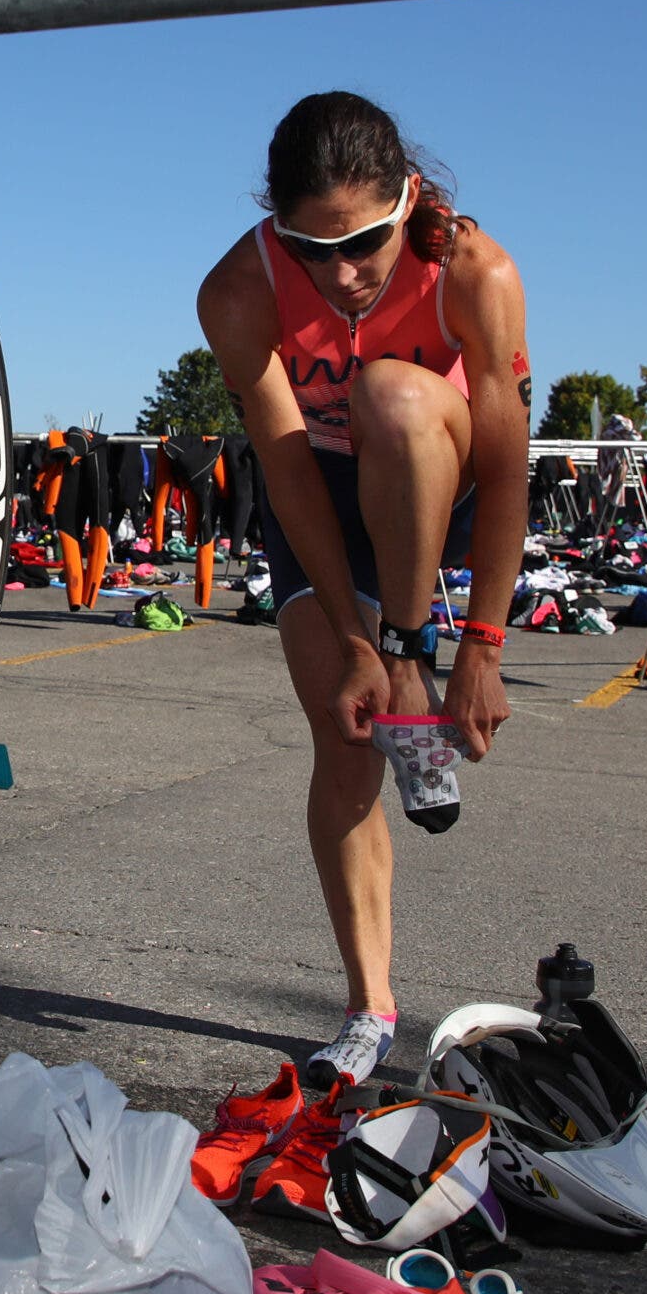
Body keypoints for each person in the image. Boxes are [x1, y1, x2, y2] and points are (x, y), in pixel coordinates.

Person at [194, 91, 530, 1093]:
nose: (340, 276)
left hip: (446, 467)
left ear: (409, 200)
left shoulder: (475, 271)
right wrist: (348, 637)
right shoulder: (236, 293)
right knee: (343, 739)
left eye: (366, 245)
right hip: (327, 496)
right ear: (272, 221)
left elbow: (511, 468)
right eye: (308, 248)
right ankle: (368, 1005)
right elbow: (288, 470)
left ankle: (412, 671)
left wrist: (480, 647)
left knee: (388, 390)